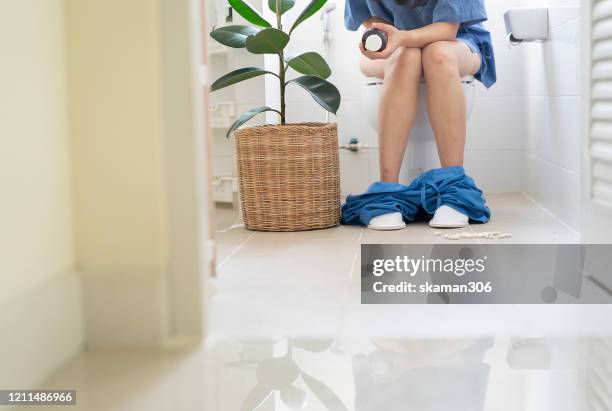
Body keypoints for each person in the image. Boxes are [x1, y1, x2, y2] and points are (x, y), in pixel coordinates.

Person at [345, 0, 496, 230]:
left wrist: (403, 38)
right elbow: (367, 16)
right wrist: (388, 37)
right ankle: (387, 192)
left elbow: (448, 29)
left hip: (456, 41)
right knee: (406, 57)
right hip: (396, 46)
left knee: (438, 54)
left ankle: (453, 191)